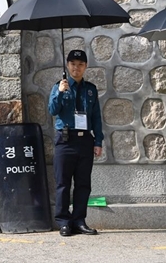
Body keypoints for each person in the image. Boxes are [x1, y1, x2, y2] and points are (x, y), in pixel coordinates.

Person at [48, 50, 104, 237]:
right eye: (73, 64)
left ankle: (79, 220)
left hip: (85, 140)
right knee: (63, 183)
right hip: (65, 140)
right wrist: (60, 93)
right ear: (67, 65)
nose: (76, 68)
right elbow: (53, 110)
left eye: (80, 64)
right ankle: (64, 221)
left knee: (83, 183)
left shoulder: (90, 89)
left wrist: (98, 141)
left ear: (85, 67)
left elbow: (96, 116)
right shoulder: (59, 86)